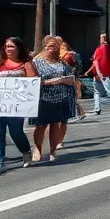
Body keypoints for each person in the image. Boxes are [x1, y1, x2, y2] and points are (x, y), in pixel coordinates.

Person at [0, 36, 36, 176]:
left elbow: (34, 82)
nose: (8, 49)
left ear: (18, 48)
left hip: (16, 105)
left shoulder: (26, 63)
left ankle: (26, 151)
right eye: (6, 46)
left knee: (15, 132)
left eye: (11, 46)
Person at [31, 35, 75, 163]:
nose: (52, 49)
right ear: (44, 47)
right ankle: (37, 149)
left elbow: (71, 79)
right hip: (43, 99)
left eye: (55, 46)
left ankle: (53, 151)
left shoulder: (62, 63)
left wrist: (64, 80)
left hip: (61, 98)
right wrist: (53, 82)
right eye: (49, 46)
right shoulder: (37, 62)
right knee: (41, 126)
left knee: (56, 125)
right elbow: (34, 81)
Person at [86, 33, 110, 116]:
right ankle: (97, 108)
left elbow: (96, 61)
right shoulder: (109, 49)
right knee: (98, 91)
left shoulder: (101, 49)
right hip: (102, 73)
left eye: (102, 38)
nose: (101, 39)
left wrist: (99, 73)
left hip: (101, 74)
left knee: (106, 90)